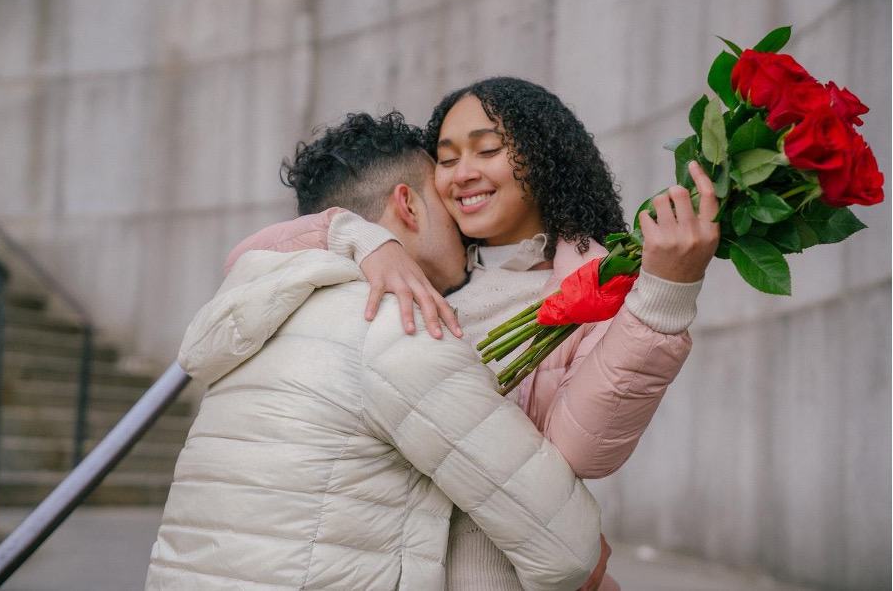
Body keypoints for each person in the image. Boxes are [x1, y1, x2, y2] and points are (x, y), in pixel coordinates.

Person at [227, 77, 720, 590]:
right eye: (445, 158)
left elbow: (584, 449)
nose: (463, 174)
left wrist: (666, 294)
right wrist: (367, 239)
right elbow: (249, 258)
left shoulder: (596, 285)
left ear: (545, 156)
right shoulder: (416, 268)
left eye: (486, 150)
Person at [145, 112, 608, 591]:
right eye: (447, 207)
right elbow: (567, 549)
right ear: (407, 206)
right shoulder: (398, 329)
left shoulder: (260, 311)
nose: (466, 231)